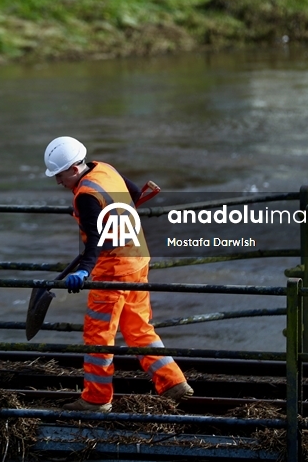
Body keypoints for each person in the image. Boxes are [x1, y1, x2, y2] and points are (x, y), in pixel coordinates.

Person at [43, 136, 193, 412]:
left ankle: (96, 399)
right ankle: (173, 383)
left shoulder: (86, 196)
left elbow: (94, 241)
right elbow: (134, 193)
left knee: (97, 334)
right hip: (137, 258)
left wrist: (84, 271)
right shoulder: (105, 169)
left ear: (74, 170)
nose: (58, 182)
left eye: (60, 175)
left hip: (113, 269)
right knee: (138, 327)